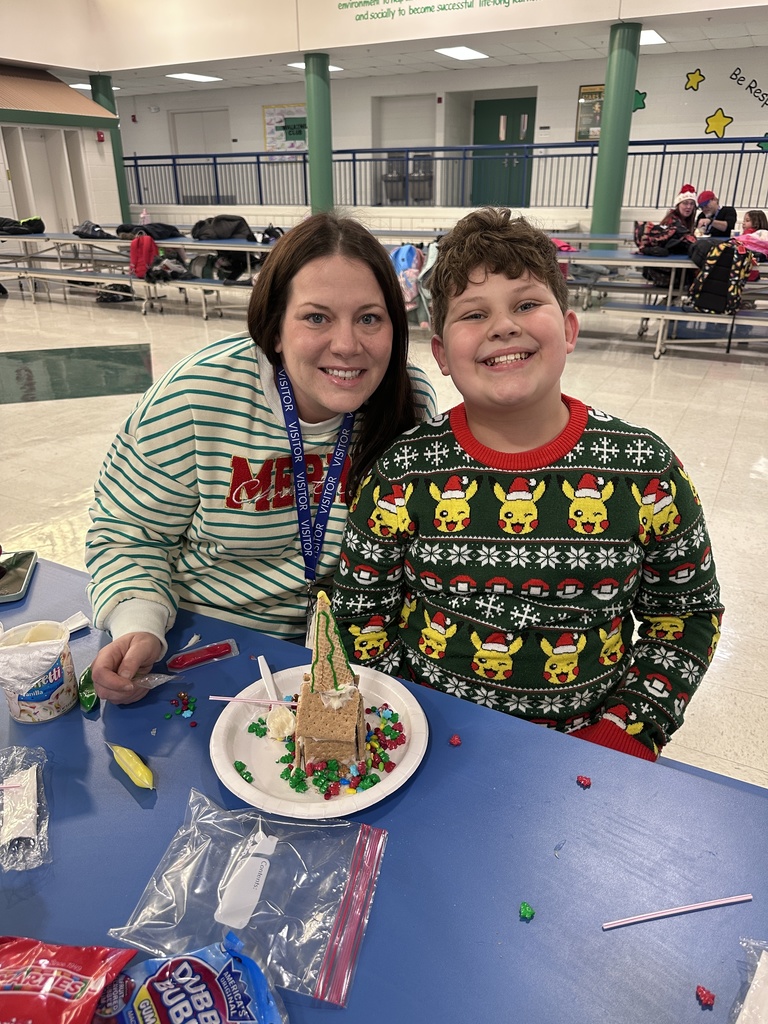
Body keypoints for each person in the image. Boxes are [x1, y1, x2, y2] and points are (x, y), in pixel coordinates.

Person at [332, 208, 723, 763]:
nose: (503, 326)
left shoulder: (646, 470)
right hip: (422, 741)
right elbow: (359, 614)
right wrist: (401, 716)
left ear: (568, 329)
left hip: (587, 750)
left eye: (526, 304)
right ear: (441, 353)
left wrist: (625, 731)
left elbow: (685, 616)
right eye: (474, 313)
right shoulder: (402, 474)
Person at [86, 212, 438, 704]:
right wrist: (138, 624)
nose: (347, 345)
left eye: (369, 318)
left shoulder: (408, 402)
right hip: (208, 640)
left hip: (354, 654)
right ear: (274, 330)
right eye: (317, 317)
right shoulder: (198, 395)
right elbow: (128, 533)